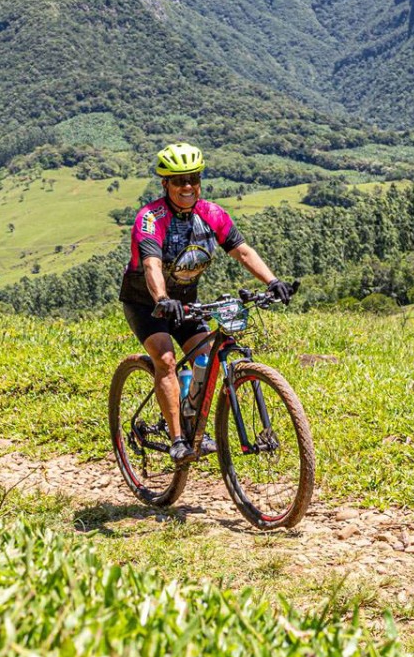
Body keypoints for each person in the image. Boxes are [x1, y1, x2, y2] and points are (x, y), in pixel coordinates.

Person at [120, 142, 293, 463]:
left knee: (206, 358)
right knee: (166, 360)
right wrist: (162, 298)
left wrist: (272, 281)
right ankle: (177, 439)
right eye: (179, 181)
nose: (187, 186)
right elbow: (151, 265)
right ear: (165, 184)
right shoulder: (151, 218)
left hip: (187, 302)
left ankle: (194, 420)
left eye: (193, 179)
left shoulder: (212, 214)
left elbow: (242, 251)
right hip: (146, 301)